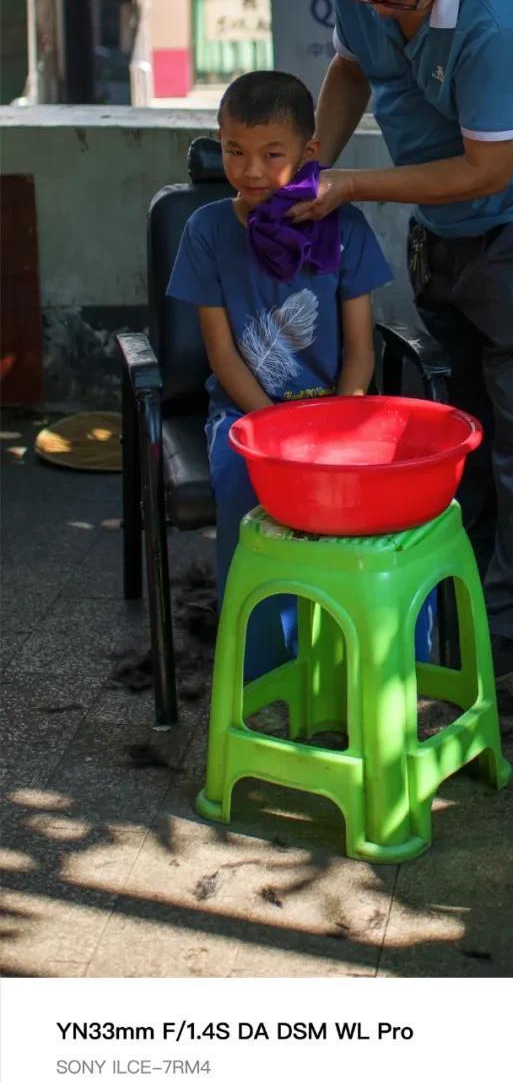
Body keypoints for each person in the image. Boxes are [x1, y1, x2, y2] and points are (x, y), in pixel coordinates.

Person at [292, 0, 513, 680]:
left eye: (399, 0)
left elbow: (486, 168)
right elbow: (355, 63)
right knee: (465, 423)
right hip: (442, 232)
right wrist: (316, 154)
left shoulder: (494, 16)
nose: (380, 10)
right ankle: (466, 587)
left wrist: (352, 187)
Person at [167, 70, 392, 679]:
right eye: (235, 151)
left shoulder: (342, 227)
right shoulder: (207, 231)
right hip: (247, 417)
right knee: (244, 484)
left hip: (337, 414)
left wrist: (344, 418)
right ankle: (260, 660)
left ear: (309, 153)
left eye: (272, 154)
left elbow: (359, 350)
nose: (251, 171)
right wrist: (273, 432)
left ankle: (366, 651)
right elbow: (222, 355)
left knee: (383, 504)